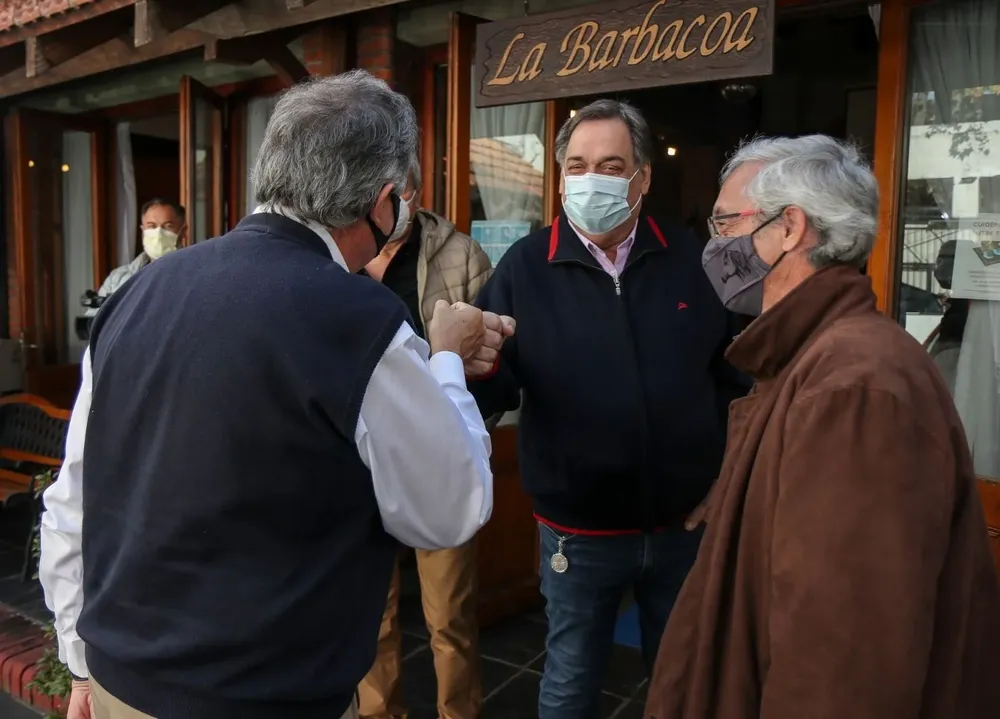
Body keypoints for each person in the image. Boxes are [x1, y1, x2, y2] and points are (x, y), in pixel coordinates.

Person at [38, 70, 514, 719]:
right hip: (269, 696)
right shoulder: (358, 319)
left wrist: (79, 663)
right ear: (382, 202)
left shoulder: (134, 296)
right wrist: (449, 360)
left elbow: (73, 499)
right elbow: (448, 508)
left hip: (122, 684)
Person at [645, 135, 1000, 719]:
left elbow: (843, 664)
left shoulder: (853, 388)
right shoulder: (811, 356)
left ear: (789, 228)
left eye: (726, 222)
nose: (716, 244)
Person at [466, 99, 749, 719]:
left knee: (683, 683)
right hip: (578, 534)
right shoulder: (525, 267)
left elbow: (737, 381)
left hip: (683, 528)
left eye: (611, 165)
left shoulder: (694, 260)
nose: (591, 178)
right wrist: (464, 362)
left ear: (642, 178)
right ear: (561, 178)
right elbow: (491, 388)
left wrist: (725, 480)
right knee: (570, 683)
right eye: (577, 165)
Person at [358, 157, 492, 719]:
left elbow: (490, 358)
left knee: (450, 616)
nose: (395, 197)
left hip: (436, 455)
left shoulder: (460, 254)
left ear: (415, 187)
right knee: (371, 616)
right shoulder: (342, 253)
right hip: (361, 457)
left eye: (403, 185)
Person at [85, 198, 187, 313]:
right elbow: (93, 319)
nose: (158, 233)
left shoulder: (194, 274)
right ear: (143, 231)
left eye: (167, 226)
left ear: (183, 231)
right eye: (152, 226)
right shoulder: (117, 278)